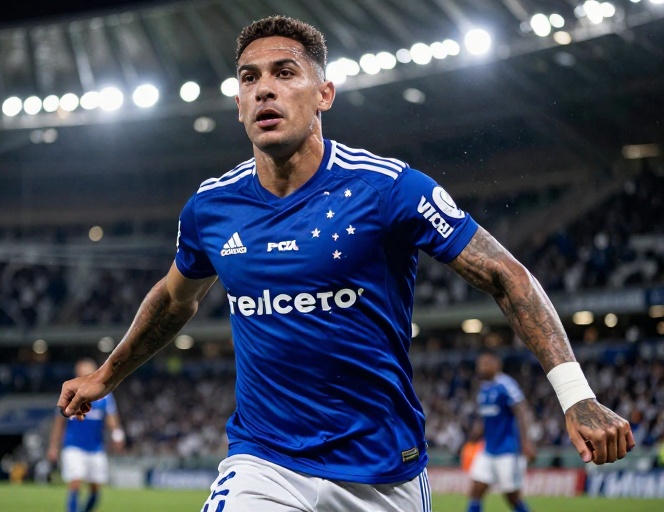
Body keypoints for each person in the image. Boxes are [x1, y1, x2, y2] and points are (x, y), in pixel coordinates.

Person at [57, 15, 635, 512]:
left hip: (384, 474)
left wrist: (576, 395)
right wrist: (106, 376)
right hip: (265, 462)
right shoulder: (211, 208)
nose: (264, 90)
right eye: (249, 78)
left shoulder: (388, 189)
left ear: (324, 95)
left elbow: (507, 277)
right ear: (237, 104)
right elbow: (173, 298)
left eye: (285, 73)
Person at [49, 358, 124, 512]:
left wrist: (117, 435)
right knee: (75, 483)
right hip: (73, 446)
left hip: (96, 448)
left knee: (95, 488)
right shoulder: (70, 395)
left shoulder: (105, 396)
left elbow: (111, 419)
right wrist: (53, 446)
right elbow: (59, 423)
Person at [466, 351, 536, 512]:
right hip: (488, 449)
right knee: (476, 490)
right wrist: (476, 433)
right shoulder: (483, 388)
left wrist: (527, 442)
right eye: (479, 364)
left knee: (512, 496)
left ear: (496, 365)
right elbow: (487, 416)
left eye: (485, 364)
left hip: (508, 449)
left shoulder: (506, 385)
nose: (480, 367)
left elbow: (522, 411)